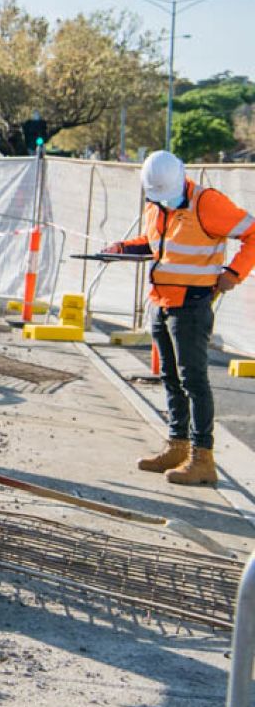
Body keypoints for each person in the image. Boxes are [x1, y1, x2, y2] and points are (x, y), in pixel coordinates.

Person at [103, 150, 255, 486]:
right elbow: (156, 245)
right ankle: (178, 445)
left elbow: (253, 234)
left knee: (194, 382)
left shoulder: (207, 202)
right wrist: (122, 248)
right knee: (170, 379)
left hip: (192, 303)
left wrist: (234, 272)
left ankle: (202, 458)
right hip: (161, 300)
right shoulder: (156, 202)